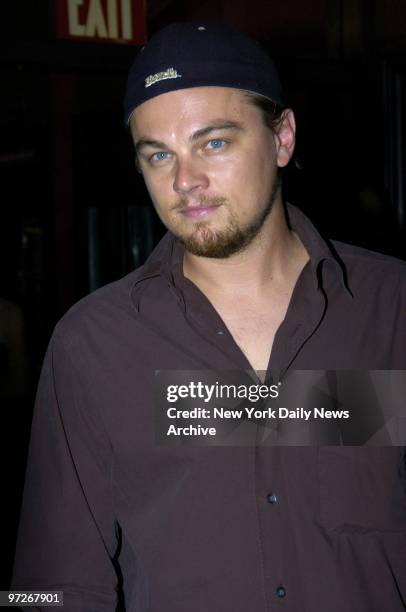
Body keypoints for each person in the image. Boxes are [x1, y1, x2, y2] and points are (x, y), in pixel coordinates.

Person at [12, 21, 406, 611]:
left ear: (282, 138)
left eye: (213, 142)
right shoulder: (93, 345)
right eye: (158, 155)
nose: (184, 181)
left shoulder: (392, 308)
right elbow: (49, 584)